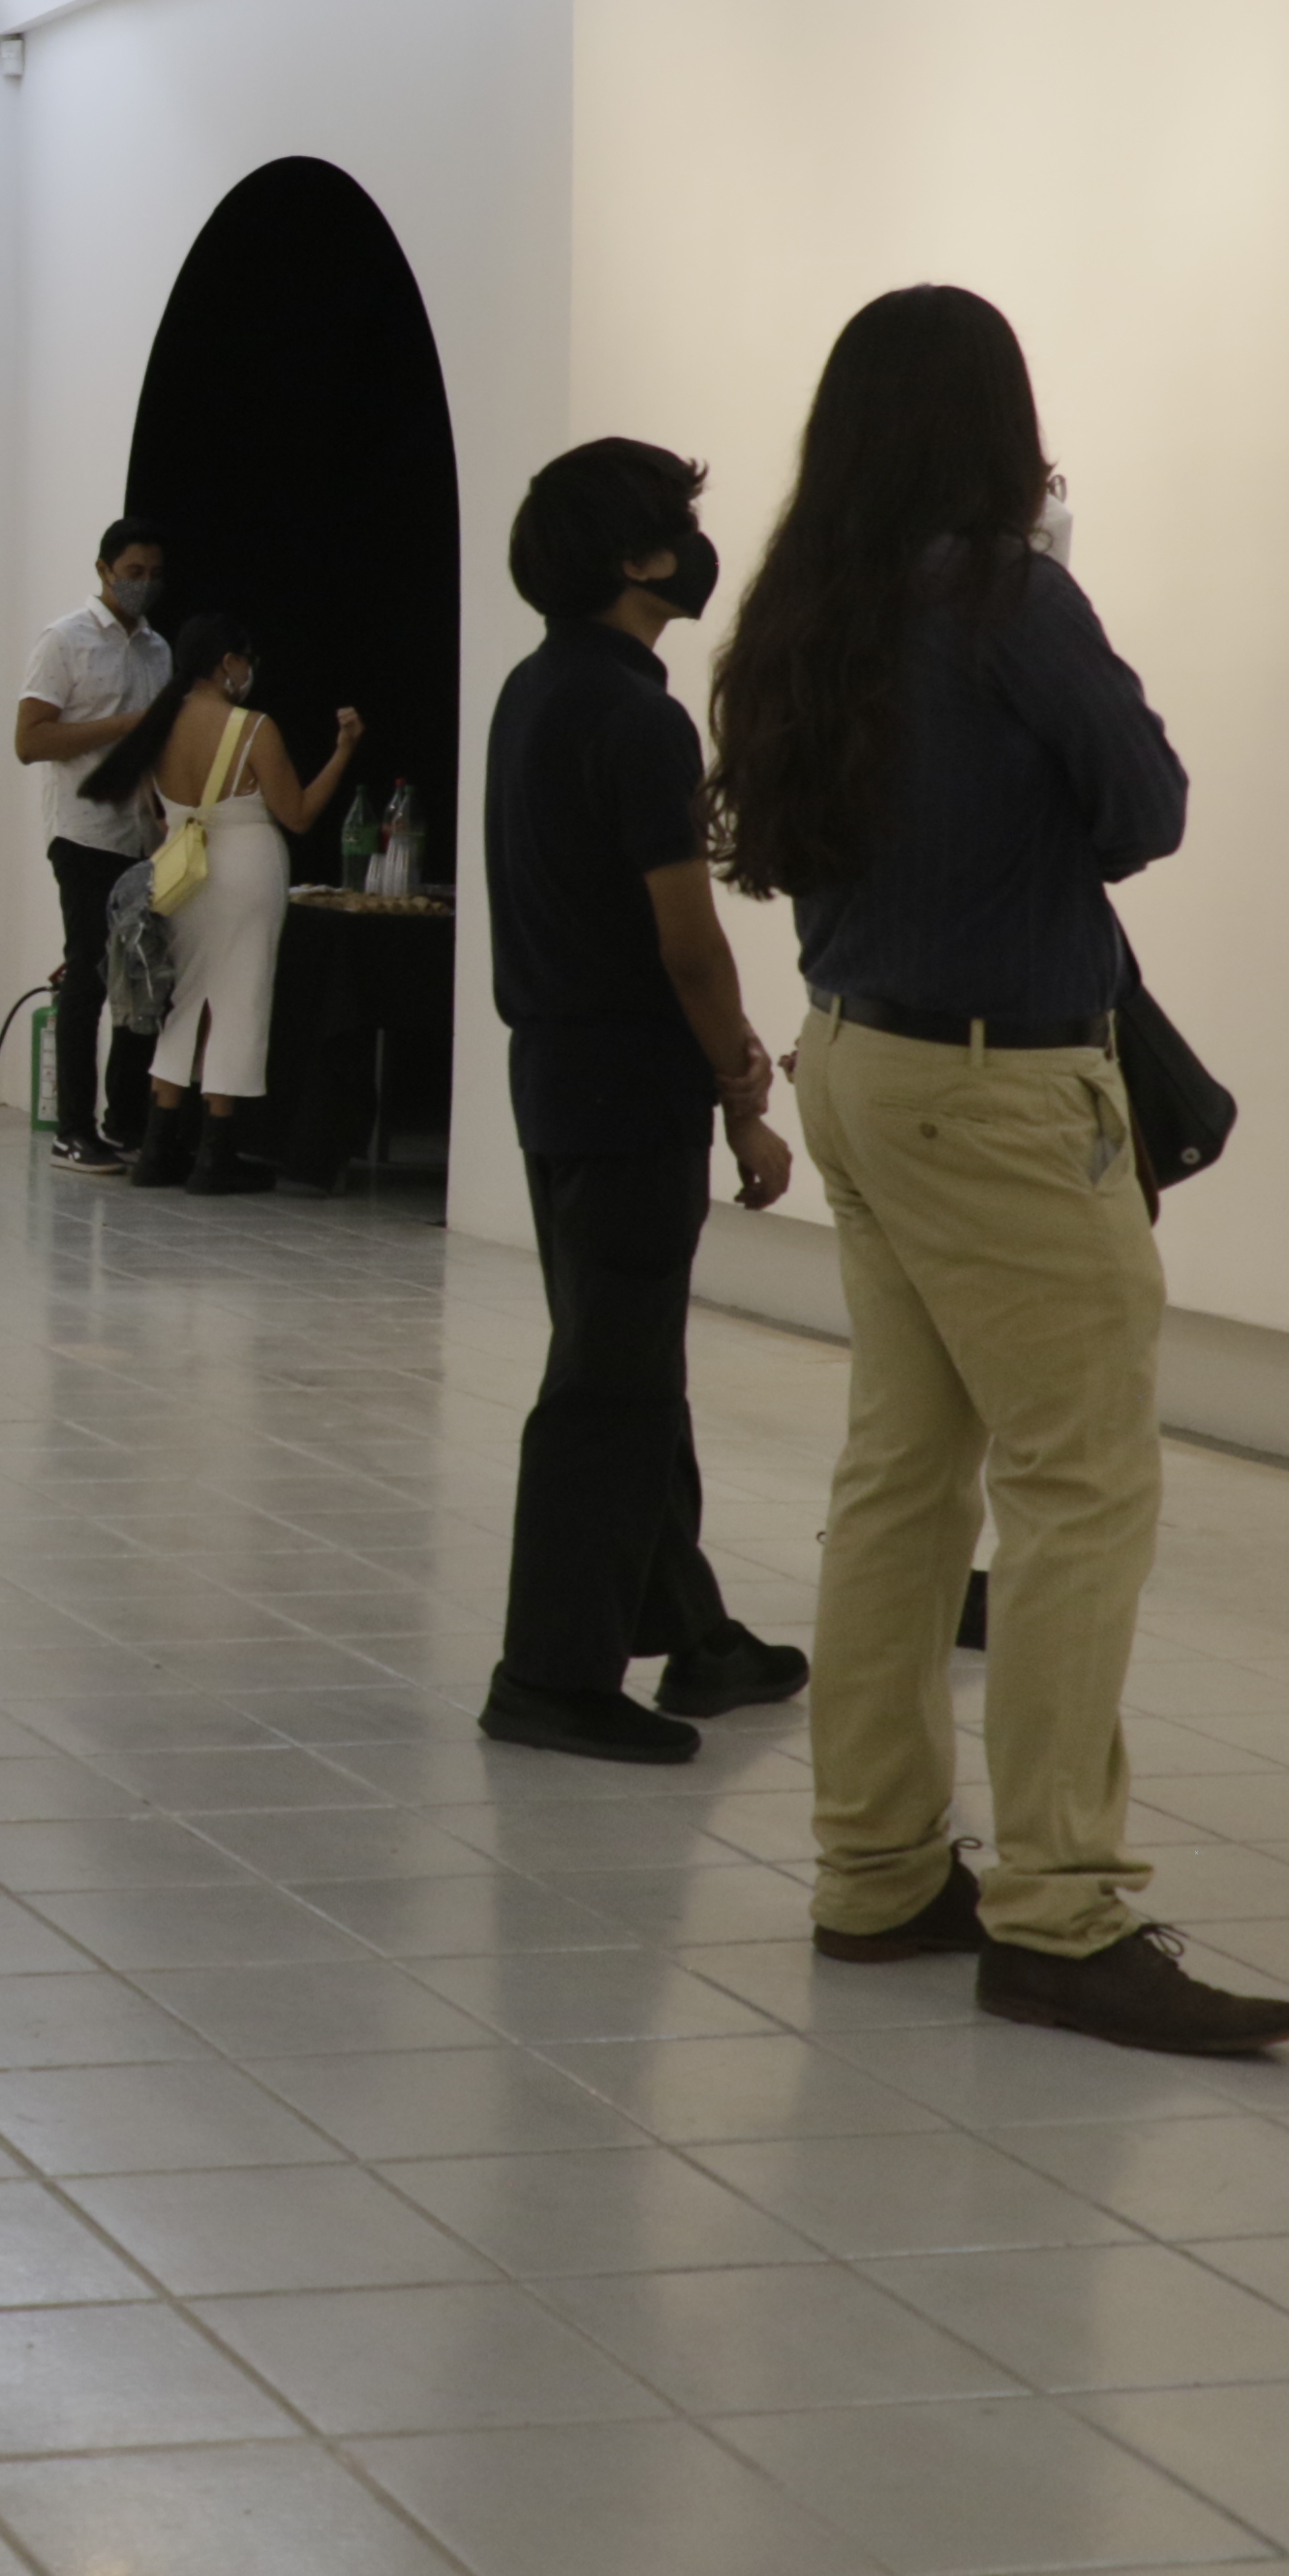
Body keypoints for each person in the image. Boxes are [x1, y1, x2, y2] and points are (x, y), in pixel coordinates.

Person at [710, 285, 1289, 2055]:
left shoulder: (802, 604)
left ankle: (878, 1865)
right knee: (1079, 1480)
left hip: (854, 1057)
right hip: (998, 1093)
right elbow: (1146, 806)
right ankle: (1060, 1905)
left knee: (903, 1477)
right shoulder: (1003, 596)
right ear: (997, 425)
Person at [476, 439, 805, 1766]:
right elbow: (687, 940)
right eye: (676, 526)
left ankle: (695, 1633)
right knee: (608, 1391)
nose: (695, 547)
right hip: (628, 1083)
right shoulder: (639, 718)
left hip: (557, 1075)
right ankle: (550, 1675)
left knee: (625, 1363)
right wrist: (742, 1085)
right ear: (637, 560)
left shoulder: (533, 691)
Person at [80, 618, 358, 1192]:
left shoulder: (161, 723)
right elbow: (298, 814)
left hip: (179, 871)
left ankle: (157, 1146)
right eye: (245, 658)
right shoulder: (253, 727)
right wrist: (344, 752)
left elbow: (155, 811)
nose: (249, 670)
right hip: (245, 870)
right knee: (238, 999)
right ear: (227, 662)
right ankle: (215, 1153)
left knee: (183, 1000)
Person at [15, 523, 173, 1168]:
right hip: (85, 833)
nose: (144, 584)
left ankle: (125, 1123)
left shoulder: (158, 649)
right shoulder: (65, 639)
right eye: (133, 572)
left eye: (154, 574)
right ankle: (72, 1128)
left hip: (145, 838)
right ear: (104, 569)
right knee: (89, 976)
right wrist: (124, 726)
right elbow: (30, 741)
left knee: (142, 980)